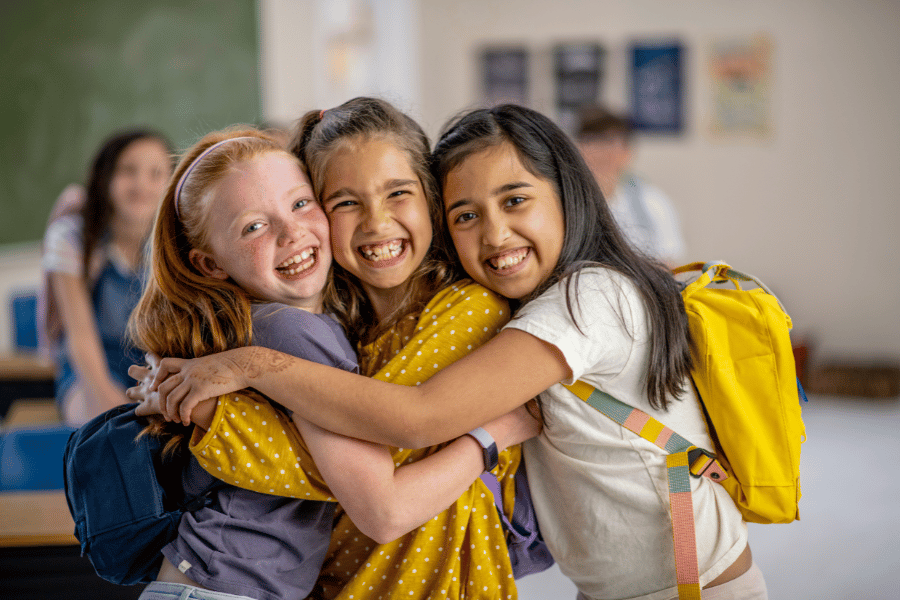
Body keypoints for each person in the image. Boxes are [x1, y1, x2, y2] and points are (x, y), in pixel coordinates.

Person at [141, 104, 766, 600]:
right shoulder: (336, 326)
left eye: (516, 200)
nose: (494, 235)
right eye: (343, 203)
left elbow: (404, 428)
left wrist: (234, 391)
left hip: (690, 585)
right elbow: (340, 458)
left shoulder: (510, 307)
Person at [128, 113, 539, 600]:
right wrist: (496, 434)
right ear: (210, 263)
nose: (291, 232)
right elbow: (380, 495)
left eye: (300, 204)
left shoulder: (444, 313)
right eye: (254, 226)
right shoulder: (295, 328)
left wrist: (219, 416)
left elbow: (363, 444)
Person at [40, 128, 173, 426]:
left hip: (153, 365)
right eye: (128, 170)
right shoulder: (72, 237)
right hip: (90, 367)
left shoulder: (174, 241)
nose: (142, 184)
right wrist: (108, 401)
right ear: (105, 177)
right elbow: (81, 339)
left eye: (156, 173)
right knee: (105, 430)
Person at [576, 104, 686, 267]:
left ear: (628, 152)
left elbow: (669, 265)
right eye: (591, 141)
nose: (600, 152)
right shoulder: (564, 200)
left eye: (609, 142)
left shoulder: (652, 201)